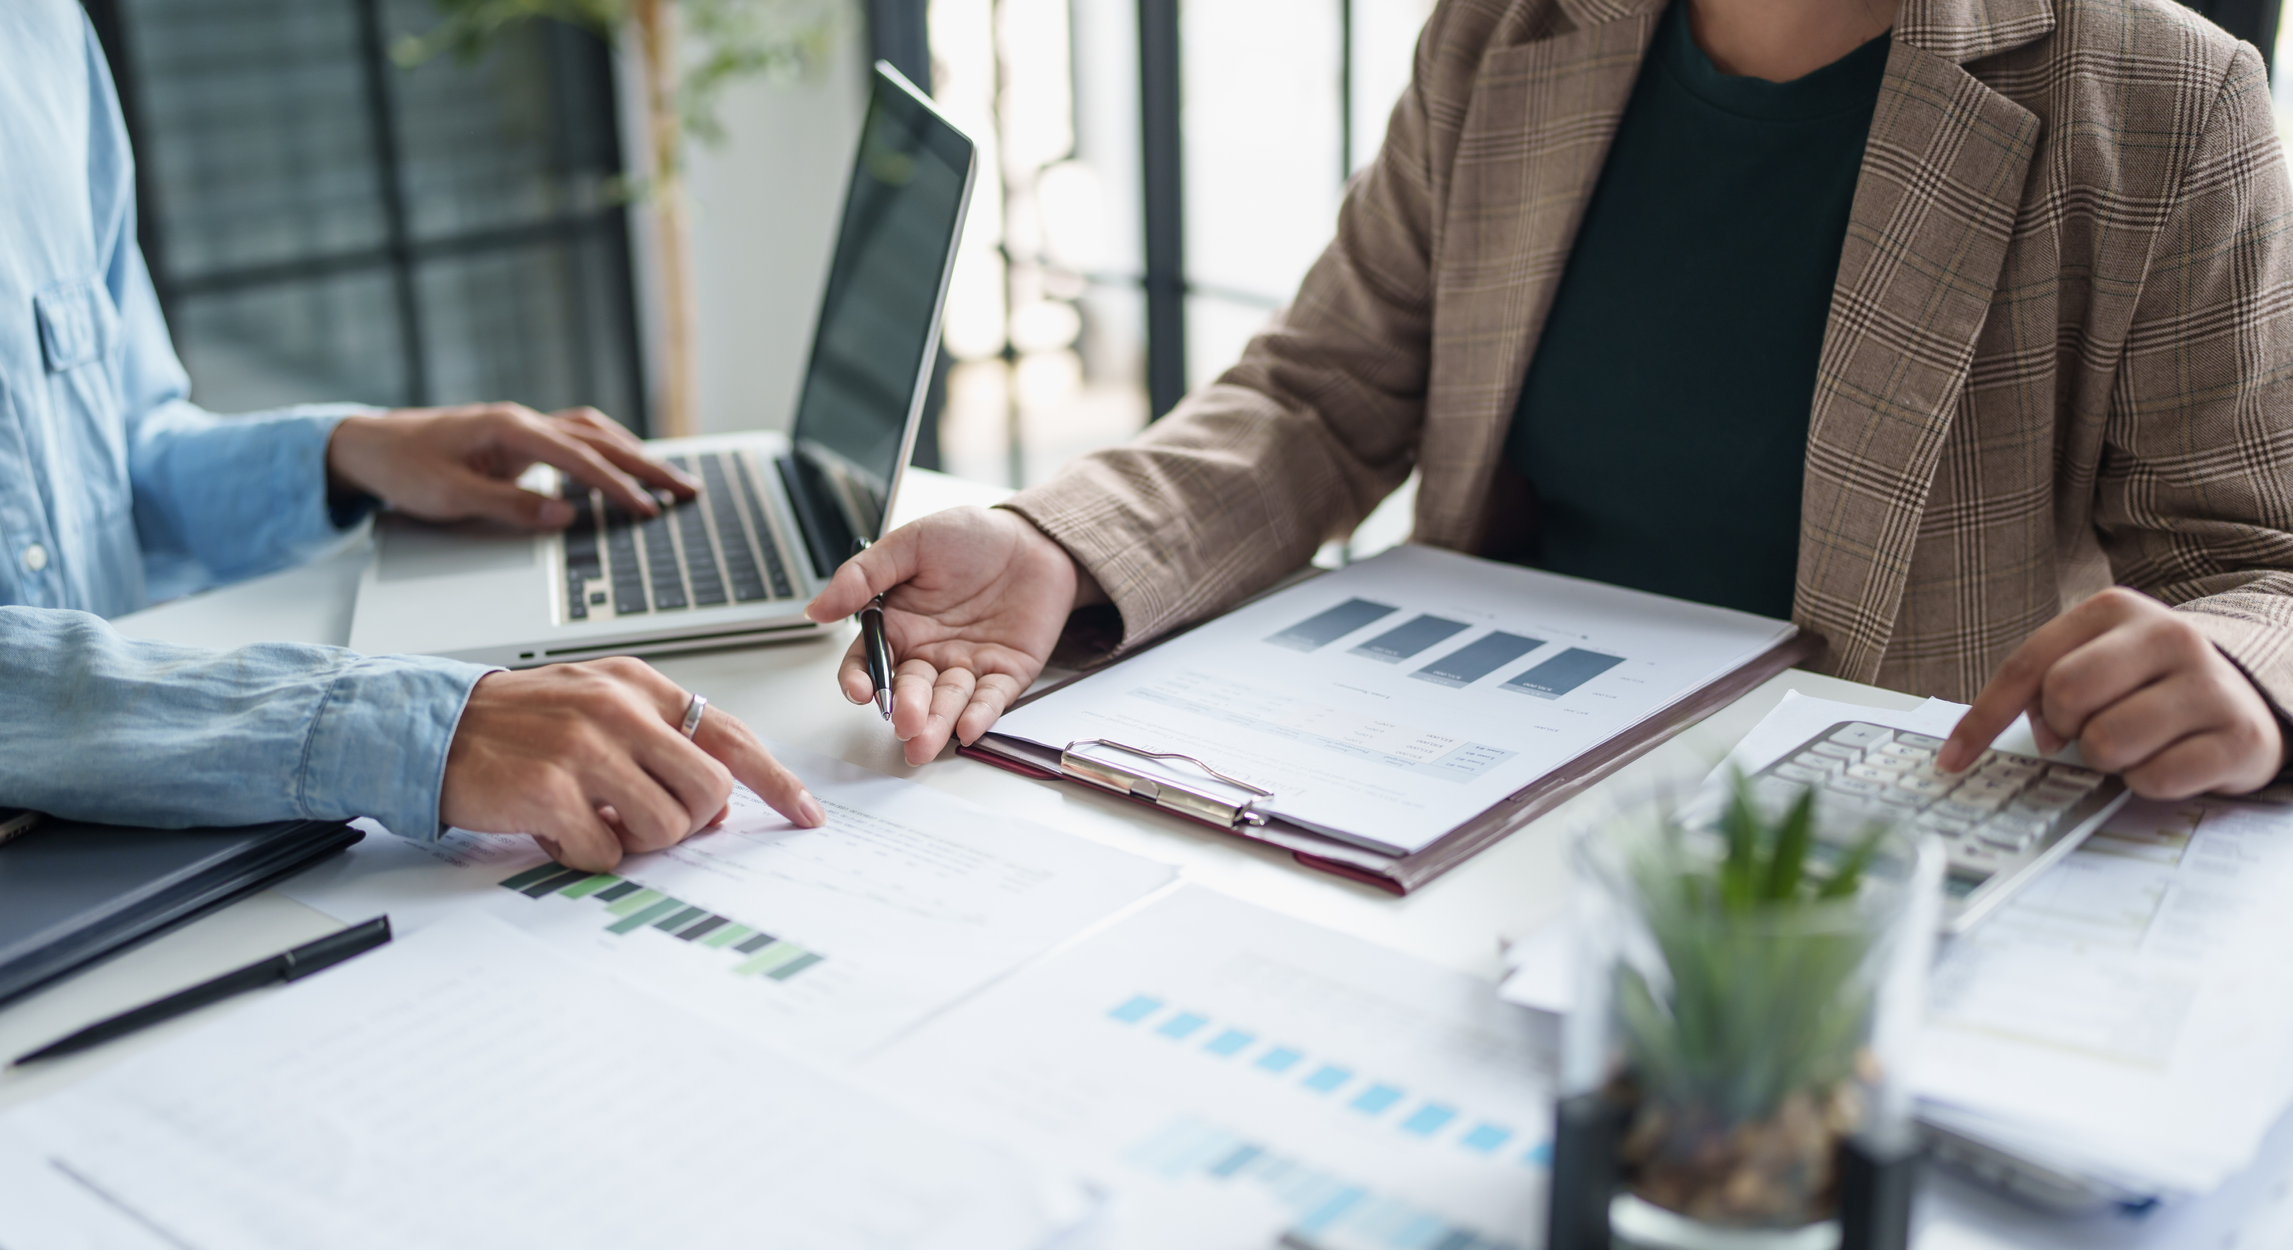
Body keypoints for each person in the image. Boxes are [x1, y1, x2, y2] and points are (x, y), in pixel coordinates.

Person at [812, 0, 2293, 801]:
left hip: (1845, 843)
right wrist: (1061, 542)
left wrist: (2235, 673)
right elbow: (1323, 392)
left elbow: (2256, 562)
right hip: (1450, 769)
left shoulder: (2166, 100)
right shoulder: (1507, 31)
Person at [0, 0, 823, 870]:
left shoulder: (35, 28)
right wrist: (406, 728)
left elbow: (123, 440)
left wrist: (350, 454)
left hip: (166, 810)